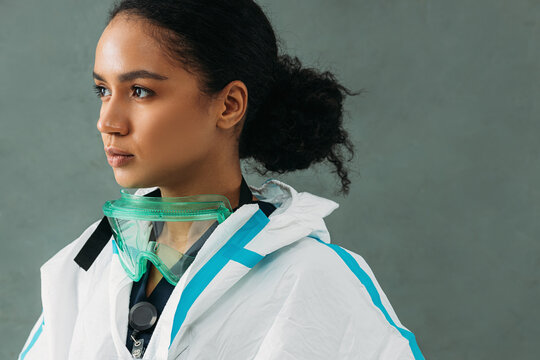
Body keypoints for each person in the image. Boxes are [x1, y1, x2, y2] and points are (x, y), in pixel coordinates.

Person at [18, 0, 425, 359]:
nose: (107, 121)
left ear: (229, 105)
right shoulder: (89, 262)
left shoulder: (313, 280)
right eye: (103, 90)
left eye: (140, 91)